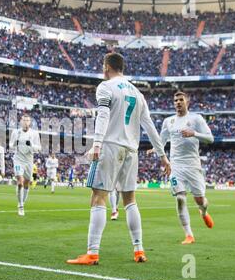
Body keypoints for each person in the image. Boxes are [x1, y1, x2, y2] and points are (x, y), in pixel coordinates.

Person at [66, 53, 171, 265]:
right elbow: (149, 126)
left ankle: (92, 253)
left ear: (107, 67)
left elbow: (103, 115)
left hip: (110, 146)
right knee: (130, 200)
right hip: (131, 150)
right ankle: (139, 250)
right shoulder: (138, 93)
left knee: (98, 198)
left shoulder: (106, 87)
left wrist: (96, 144)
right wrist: (163, 156)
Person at [147, 91, 214, 245]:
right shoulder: (168, 121)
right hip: (176, 165)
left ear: (187, 102)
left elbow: (210, 138)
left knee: (200, 200)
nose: (177, 102)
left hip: (193, 165)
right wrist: (155, 149)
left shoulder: (196, 119)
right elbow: (162, 140)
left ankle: (203, 212)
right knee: (180, 198)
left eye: (180, 100)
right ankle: (189, 234)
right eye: (175, 100)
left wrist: (195, 133)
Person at [9, 114, 41, 216]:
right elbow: (10, 145)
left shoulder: (34, 133)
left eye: (28, 120)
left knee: (27, 183)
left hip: (29, 161)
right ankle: (20, 205)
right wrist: (15, 143)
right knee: (20, 182)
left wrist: (31, 145)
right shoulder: (16, 132)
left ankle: (23, 201)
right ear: (21, 122)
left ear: (30, 122)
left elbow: (39, 148)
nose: (26, 122)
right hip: (18, 160)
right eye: (24, 120)